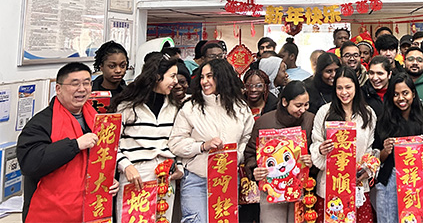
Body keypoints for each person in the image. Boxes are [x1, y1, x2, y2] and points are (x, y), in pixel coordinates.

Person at [17, 62, 119, 223]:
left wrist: (107, 180)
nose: (82, 89)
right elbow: (30, 163)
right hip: (51, 213)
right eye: (75, 84)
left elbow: (103, 158)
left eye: (87, 83)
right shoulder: (41, 123)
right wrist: (74, 145)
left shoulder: (97, 120)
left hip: (89, 212)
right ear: (58, 89)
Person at [168, 59, 254, 222]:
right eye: (202, 77)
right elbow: (175, 143)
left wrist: (237, 155)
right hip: (196, 179)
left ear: (223, 77)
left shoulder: (241, 108)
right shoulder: (191, 107)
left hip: (227, 179)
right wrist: (202, 146)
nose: (204, 81)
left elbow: (247, 139)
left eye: (210, 76)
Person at [109, 53, 183, 223]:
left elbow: (176, 141)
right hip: (136, 174)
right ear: (157, 76)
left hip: (165, 175)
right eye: (172, 76)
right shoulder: (127, 106)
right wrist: (126, 166)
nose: (176, 82)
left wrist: (178, 166)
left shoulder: (174, 107)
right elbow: (110, 144)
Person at [310, 67, 377, 223]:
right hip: (329, 186)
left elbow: (370, 149)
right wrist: (320, 149)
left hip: (358, 186)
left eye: (348, 87)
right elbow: (315, 143)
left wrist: (367, 169)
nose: (344, 92)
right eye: (339, 88)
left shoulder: (368, 114)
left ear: (356, 87)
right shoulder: (324, 112)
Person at [245, 81, 315, 222]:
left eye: (306, 105)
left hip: (301, 189)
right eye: (298, 105)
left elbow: (318, 151)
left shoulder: (310, 120)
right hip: (271, 189)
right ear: (284, 102)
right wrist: (255, 169)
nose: (303, 110)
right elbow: (250, 153)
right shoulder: (264, 122)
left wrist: (312, 160)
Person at [375, 74, 423, 223]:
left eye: (405, 93)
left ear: (413, 94)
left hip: (418, 181)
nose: (401, 98)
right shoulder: (384, 121)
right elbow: (375, 159)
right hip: (389, 181)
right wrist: (385, 151)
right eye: (396, 94)